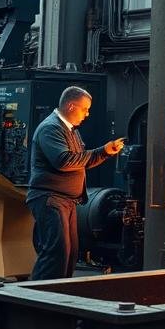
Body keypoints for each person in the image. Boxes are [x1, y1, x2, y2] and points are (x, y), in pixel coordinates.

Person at [27, 86, 124, 280]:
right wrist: (100, 151)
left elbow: (79, 160)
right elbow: (64, 161)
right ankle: (35, 295)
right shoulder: (50, 128)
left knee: (70, 254)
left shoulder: (70, 130)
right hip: (50, 199)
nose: (87, 114)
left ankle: (58, 294)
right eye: (85, 109)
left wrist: (105, 152)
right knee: (56, 253)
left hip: (66, 201)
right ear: (71, 106)